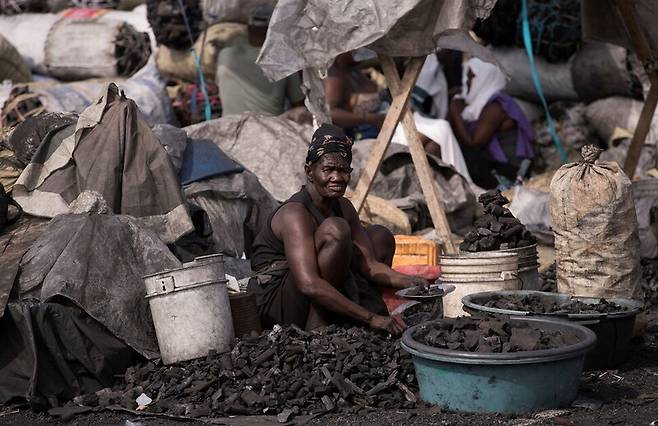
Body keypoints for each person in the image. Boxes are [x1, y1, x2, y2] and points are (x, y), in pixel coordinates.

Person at [249, 123, 428, 335]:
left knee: (380, 235)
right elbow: (307, 283)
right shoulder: (295, 214)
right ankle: (318, 325)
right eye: (328, 169)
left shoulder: (343, 206)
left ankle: (344, 315)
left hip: (314, 287)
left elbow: (370, 265)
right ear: (309, 172)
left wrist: (415, 283)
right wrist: (372, 318)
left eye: (343, 170)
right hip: (280, 304)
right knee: (336, 230)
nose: (337, 177)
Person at [326, 52, 475, 182]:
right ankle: (451, 182)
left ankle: (449, 186)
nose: (359, 51)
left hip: (391, 125)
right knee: (439, 130)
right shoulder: (335, 77)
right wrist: (368, 118)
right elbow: (331, 113)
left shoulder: (355, 71)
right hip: (371, 136)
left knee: (436, 141)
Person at [448, 57, 535, 189]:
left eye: (472, 77)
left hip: (510, 168)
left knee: (470, 158)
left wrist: (455, 112)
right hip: (496, 166)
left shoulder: (496, 107)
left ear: (485, 77)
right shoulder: (478, 105)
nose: (467, 81)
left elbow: (473, 142)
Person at [216, 4, 304, 116]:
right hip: (267, 129)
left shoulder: (225, 54)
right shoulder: (284, 59)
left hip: (231, 128)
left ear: (248, 29)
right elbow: (298, 105)